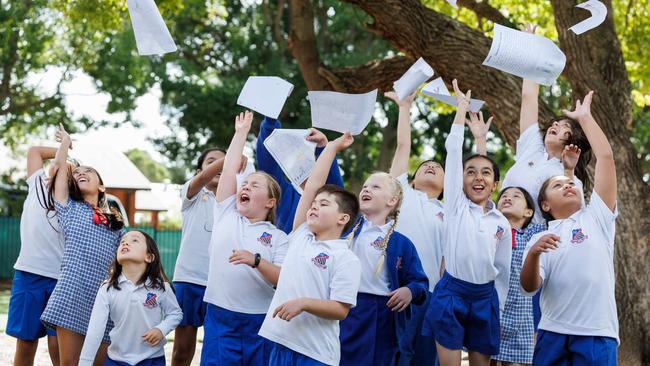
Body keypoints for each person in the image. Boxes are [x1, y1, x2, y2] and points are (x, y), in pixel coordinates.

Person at [521, 91, 618, 365]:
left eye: (569, 184)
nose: (566, 185)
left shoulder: (596, 217)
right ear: (545, 204)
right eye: (557, 185)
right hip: (552, 333)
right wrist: (534, 255)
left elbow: (606, 158)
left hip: (597, 333)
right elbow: (530, 287)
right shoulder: (540, 238)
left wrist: (585, 119)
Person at [423, 80, 512, 366]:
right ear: (458, 181)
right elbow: (455, 154)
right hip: (451, 292)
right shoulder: (456, 207)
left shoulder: (501, 222)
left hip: (485, 297)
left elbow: (504, 270)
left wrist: (496, 305)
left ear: (496, 184)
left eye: (486, 174)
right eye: (469, 172)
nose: (478, 177)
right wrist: (461, 111)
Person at [258, 131, 362, 366]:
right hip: (280, 342)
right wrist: (330, 148)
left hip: (315, 354)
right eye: (313, 204)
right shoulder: (301, 235)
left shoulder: (345, 257)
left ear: (343, 218)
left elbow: (340, 309)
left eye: (323, 204)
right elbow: (313, 184)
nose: (313, 207)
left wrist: (303, 303)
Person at [201, 111, 289, 365]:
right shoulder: (227, 212)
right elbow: (230, 168)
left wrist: (256, 260)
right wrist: (241, 133)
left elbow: (283, 278)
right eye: (246, 184)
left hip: (259, 320)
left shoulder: (278, 237)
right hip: (220, 317)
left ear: (271, 202)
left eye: (255, 185)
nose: (246, 187)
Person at [40, 124, 125, 366]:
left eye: (88, 171)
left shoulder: (117, 223)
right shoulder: (69, 208)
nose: (80, 173)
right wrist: (65, 143)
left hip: (104, 297)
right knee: (70, 363)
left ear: (101, 186)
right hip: (72, 291)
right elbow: (58, 171)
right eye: (77, 174)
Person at [501, 24, 591, 224]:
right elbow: (528, 97)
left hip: (537, 243)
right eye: (555, 123)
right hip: (501, 229)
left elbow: (574, 216)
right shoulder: (532, 145)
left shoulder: (568, 178)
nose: (555, 126)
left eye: (564, 127)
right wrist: (531, 48)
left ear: (572, 140)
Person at [339, 170, 428, 366]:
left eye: (375, 187)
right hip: (343, 309)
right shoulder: (343, 229)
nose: (366, 189)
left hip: (382, 317)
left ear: (392, 201)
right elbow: (332, 185)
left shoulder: (402, 243)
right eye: (365, 186)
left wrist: (410, 291)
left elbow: (420, 283)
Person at [171, 146, 248, 366]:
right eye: (212, 161)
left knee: (215, 349)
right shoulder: (193, 195)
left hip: (220, 284)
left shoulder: (236, 203)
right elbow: (206, 176)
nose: (220, 165)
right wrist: (230, 158)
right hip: (190, 280)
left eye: (226, 163)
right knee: (182, 351)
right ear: (199, 170)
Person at [79, 230, 183, 366]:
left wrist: (161, 329)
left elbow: (175, 314)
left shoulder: (161, 287)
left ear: (149, 257)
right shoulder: (107, 288)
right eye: (122, 241)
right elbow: (95, 329)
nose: (125, 242)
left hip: (152, 359)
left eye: (134, 240)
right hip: (116, 360)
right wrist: (84, 363)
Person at [7, 146, 70, 366]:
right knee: (25, 344)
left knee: (58, 348)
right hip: (28, 275)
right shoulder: (37, 184)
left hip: (61, 281)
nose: (60, 166)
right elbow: (34, 151)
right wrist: (65, 147)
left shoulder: (74, 205)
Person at [256, 115, 344, 234]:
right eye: (295, 155)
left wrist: (323, 148)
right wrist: (270, 120)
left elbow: (337, 189)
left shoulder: (329, 199)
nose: (301, 161)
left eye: (308, 154)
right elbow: (267, 164)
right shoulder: (283, 192)